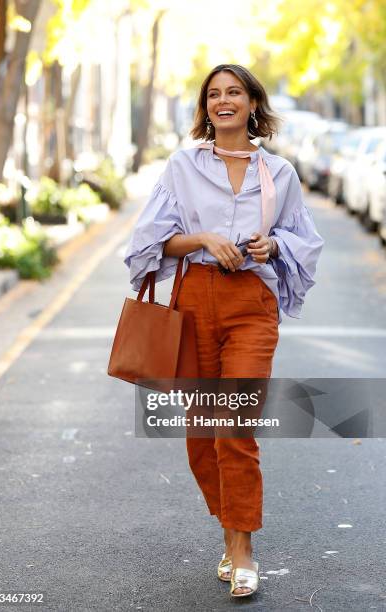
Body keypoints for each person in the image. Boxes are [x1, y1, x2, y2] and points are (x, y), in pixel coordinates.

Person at [124, 63, 324, 599]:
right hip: (193, 301)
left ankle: (243, 548)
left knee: (235, 424)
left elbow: (303, 239)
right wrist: (203, 239)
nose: (223, 101)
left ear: (253, 104)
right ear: (206, 108)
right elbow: (150, 242)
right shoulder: (183, 167)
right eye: (214, 94)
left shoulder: (278, 173)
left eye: (234, 92)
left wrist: (272, 246)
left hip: (251, 305)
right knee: (200, 434)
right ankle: (230, 530)